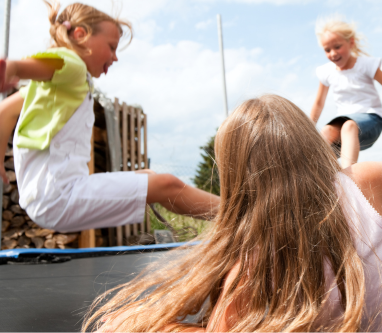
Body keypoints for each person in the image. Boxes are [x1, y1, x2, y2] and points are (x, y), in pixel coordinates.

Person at [86, 84, 382, 332]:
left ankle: (349, 156)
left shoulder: (248, 265)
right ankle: (347, 156)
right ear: (311, 147)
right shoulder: (362, 182)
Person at [0, 1, 220, 233]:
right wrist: (12, 67)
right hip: (60, 197)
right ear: (81, 35)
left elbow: (5, 110)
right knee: (167, 185)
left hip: (51, 197)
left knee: (149, 176)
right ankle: (245, 216)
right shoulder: (73, 65)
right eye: (112, 47)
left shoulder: (49, 90)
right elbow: (38, 66)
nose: (115, 57)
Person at [310, 17, 382, 233]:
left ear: (351, 43)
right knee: (325, 133)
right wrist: (307, 127)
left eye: (337, 47)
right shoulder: (327, 72)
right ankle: (320, 180)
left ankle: (349, 181)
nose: (333, 54)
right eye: (327, 50)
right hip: (344, 122)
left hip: (370, 120)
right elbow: (319, 103)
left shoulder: (366, 65)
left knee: (349, 126)